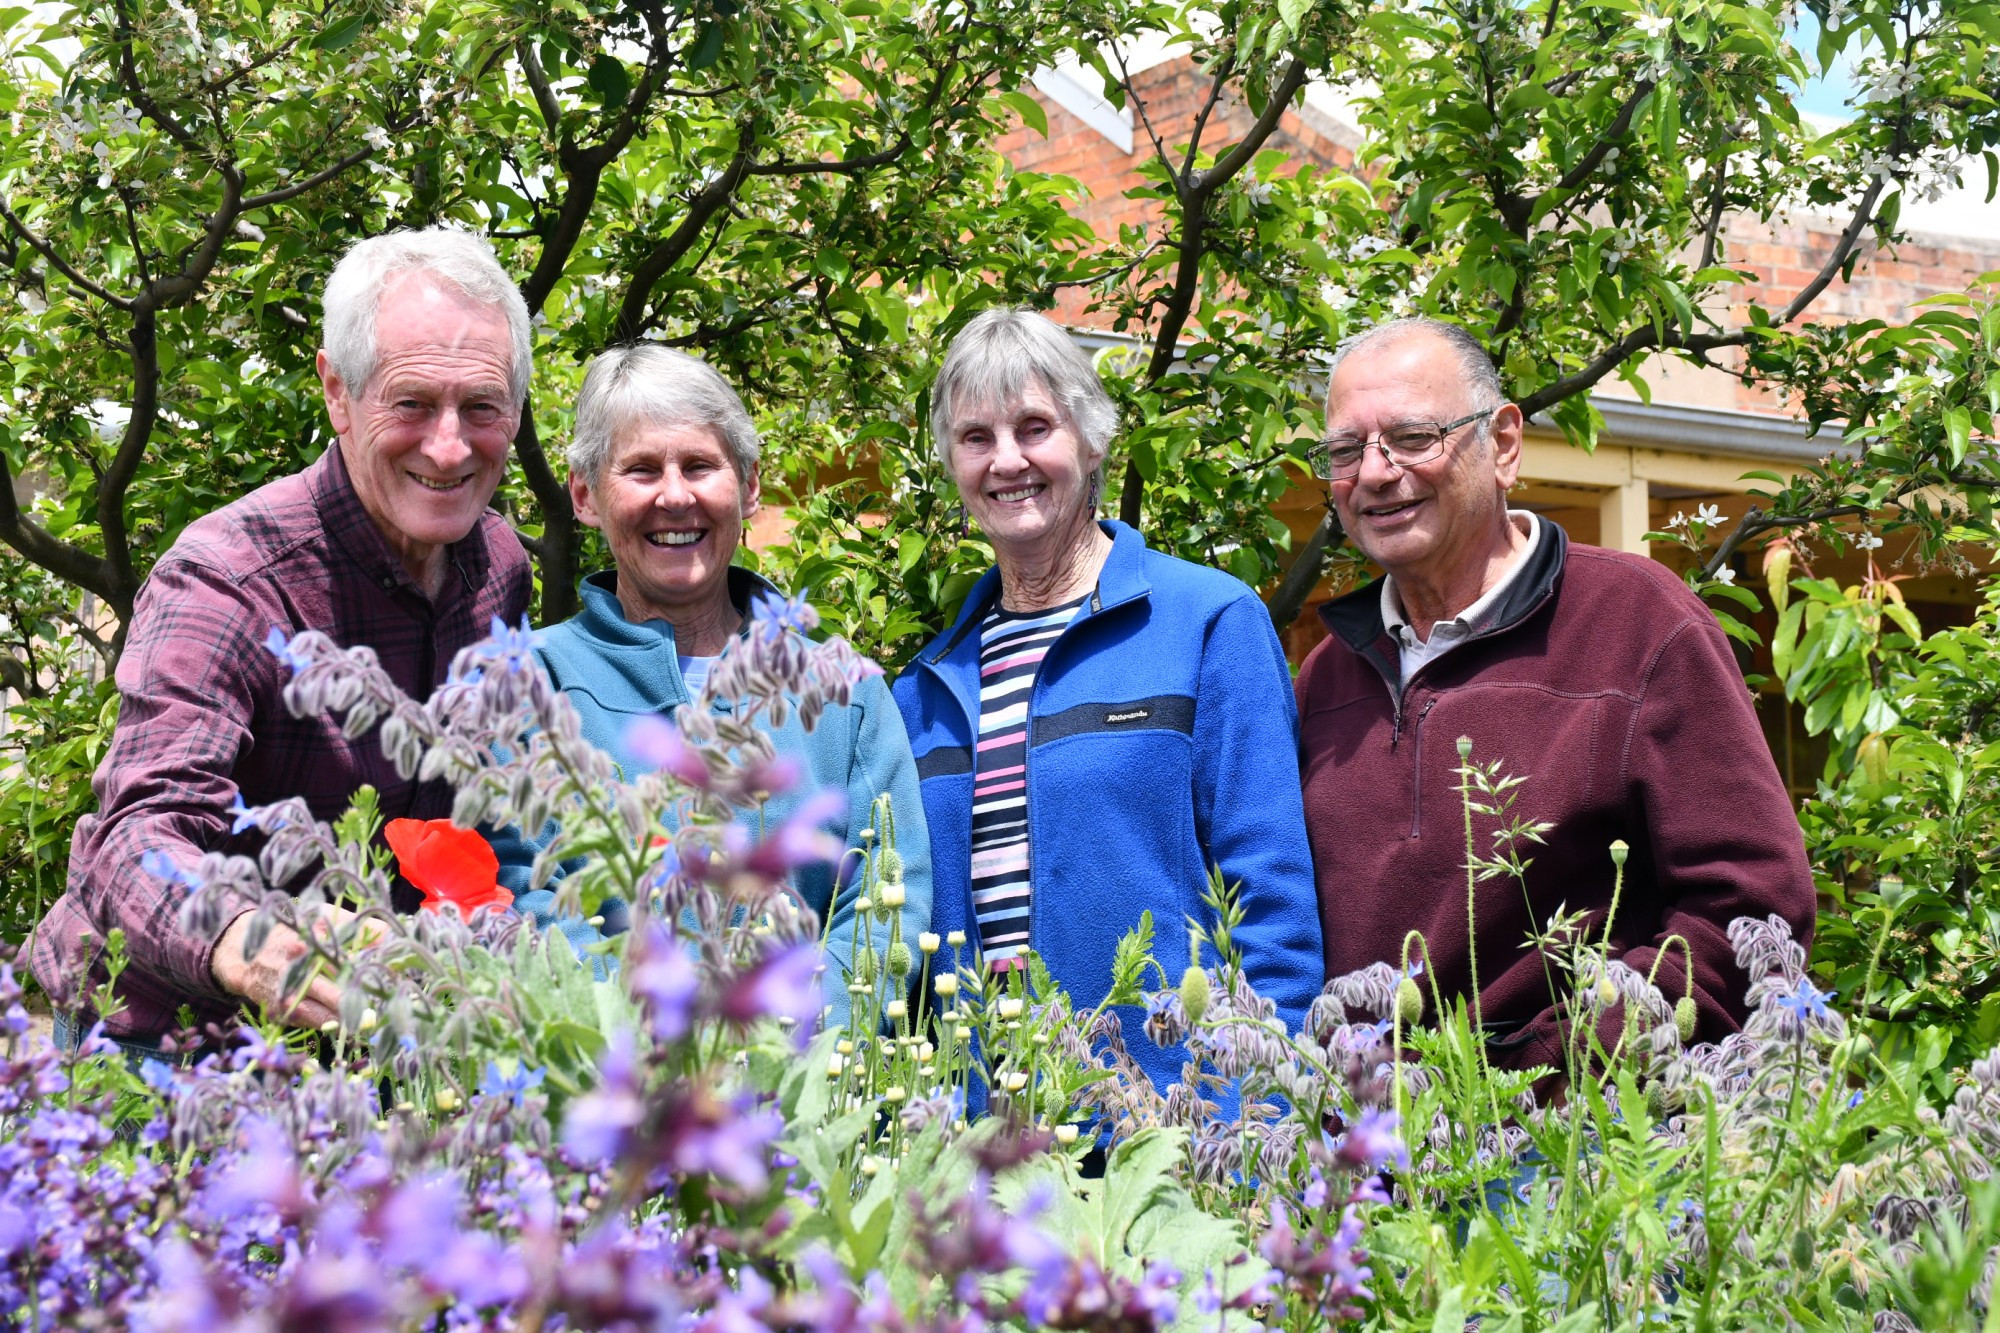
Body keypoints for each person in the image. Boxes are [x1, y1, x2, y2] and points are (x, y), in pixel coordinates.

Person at [31, 227, 536, 1052]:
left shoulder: (499, 565)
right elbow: (138, 835)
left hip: (368, 1040)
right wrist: (245, 939)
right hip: (163, 1039)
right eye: (410, 403)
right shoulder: (227, 577)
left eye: (481, 407)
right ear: (338, 393)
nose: (450, 447)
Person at [1293, 317, 1816, 1072]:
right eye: (1346, 451)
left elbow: (1752, 904)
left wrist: (1575, 1069)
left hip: (1568, 1150)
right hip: (1361, 1150)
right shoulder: (1330, 673)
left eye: (1412, 437)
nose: (1375, 473)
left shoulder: (1638, 624)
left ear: (1504, 444)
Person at [893, 307, 1323, 1095]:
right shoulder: (925, 688)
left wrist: (1261, 1120)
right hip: (986, 1144)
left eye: (1034, 427)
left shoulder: (1207, 624)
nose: (1007, 460)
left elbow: (1274, 907)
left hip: (1173, 1131)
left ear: (1091, 440)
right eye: (975, 438)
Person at [489, 344, 931, 1032]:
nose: (674, 495)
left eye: (700, 465)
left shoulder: (846, 695)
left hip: (807, 1114)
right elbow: (528, 900)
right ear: (584, 496)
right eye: (640, 469)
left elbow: (884, 903)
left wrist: (791, 1066)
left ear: (749, 486)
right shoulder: (532, 681)